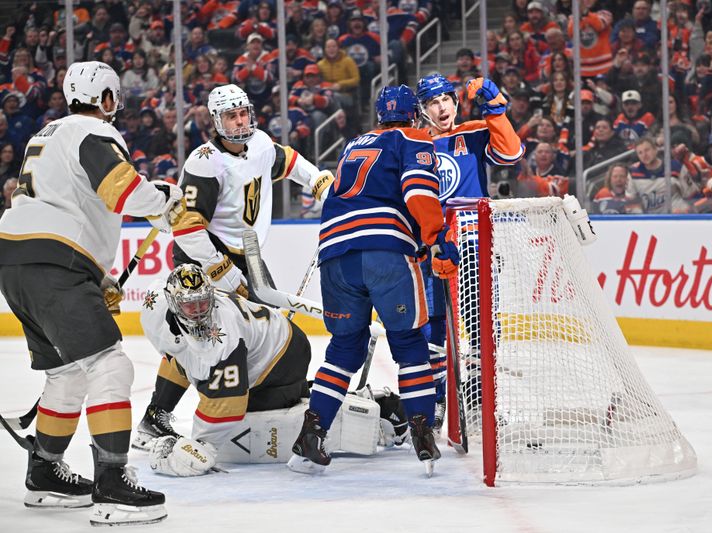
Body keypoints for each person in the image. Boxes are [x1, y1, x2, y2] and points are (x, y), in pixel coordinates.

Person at [0, 61, 183, 526]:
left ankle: (45, 473)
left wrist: (95, 279)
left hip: (17, 262)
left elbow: (65, 202)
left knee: (66, 374)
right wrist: (163, 202)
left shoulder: (46, 134)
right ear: (106, 98)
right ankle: (113, 485)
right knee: (110, 365)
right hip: (55, 264)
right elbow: (121, 190)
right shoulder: (93, 131)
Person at [133, 84, 334, 450]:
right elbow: (187, 228)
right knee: (198, 339)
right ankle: (155, 416)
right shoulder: (205, 161)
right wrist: (221, 272)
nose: (240, 121)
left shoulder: (259, 144)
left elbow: (289, 160)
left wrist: (318, 181)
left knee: (267, 329)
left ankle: (256, 396)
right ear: (216, 120)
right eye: (231, 116)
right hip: (201, 260)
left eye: (243, 113)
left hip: (244, 256)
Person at [288, 85, 457, 476]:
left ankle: (312, 433)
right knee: (409, 344)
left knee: (344, 349)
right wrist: (437, 239)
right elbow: (418, 192)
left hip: (334, 253)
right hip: (385, 250)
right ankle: (422, 431)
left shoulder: (353, 144)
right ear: (413, 115)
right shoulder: (414, 137)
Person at [142, 264, 410, 476]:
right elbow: (176, 351)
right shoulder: (154, 304)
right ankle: (155, 416)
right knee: (181, 351)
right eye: (190, 305)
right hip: (264, 342)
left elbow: (229, 405)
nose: (200, 312)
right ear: (172, 301)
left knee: (266, 415)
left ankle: (375, 405)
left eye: (203, 302)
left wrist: (200, 447)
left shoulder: (223, 337)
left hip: (283, 354)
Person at [415, 73, 524, 431]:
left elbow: (511, 153)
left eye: (446, 99)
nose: (441, 107)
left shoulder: (475, 131)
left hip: (475, 244)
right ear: (424, 109)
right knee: (433, 328)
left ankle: (479, 402)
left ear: (455, 101)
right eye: (433, 102)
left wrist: (496, 109)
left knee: (481, 327)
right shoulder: (414, 144)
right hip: (433, 248)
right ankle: (435, 401)